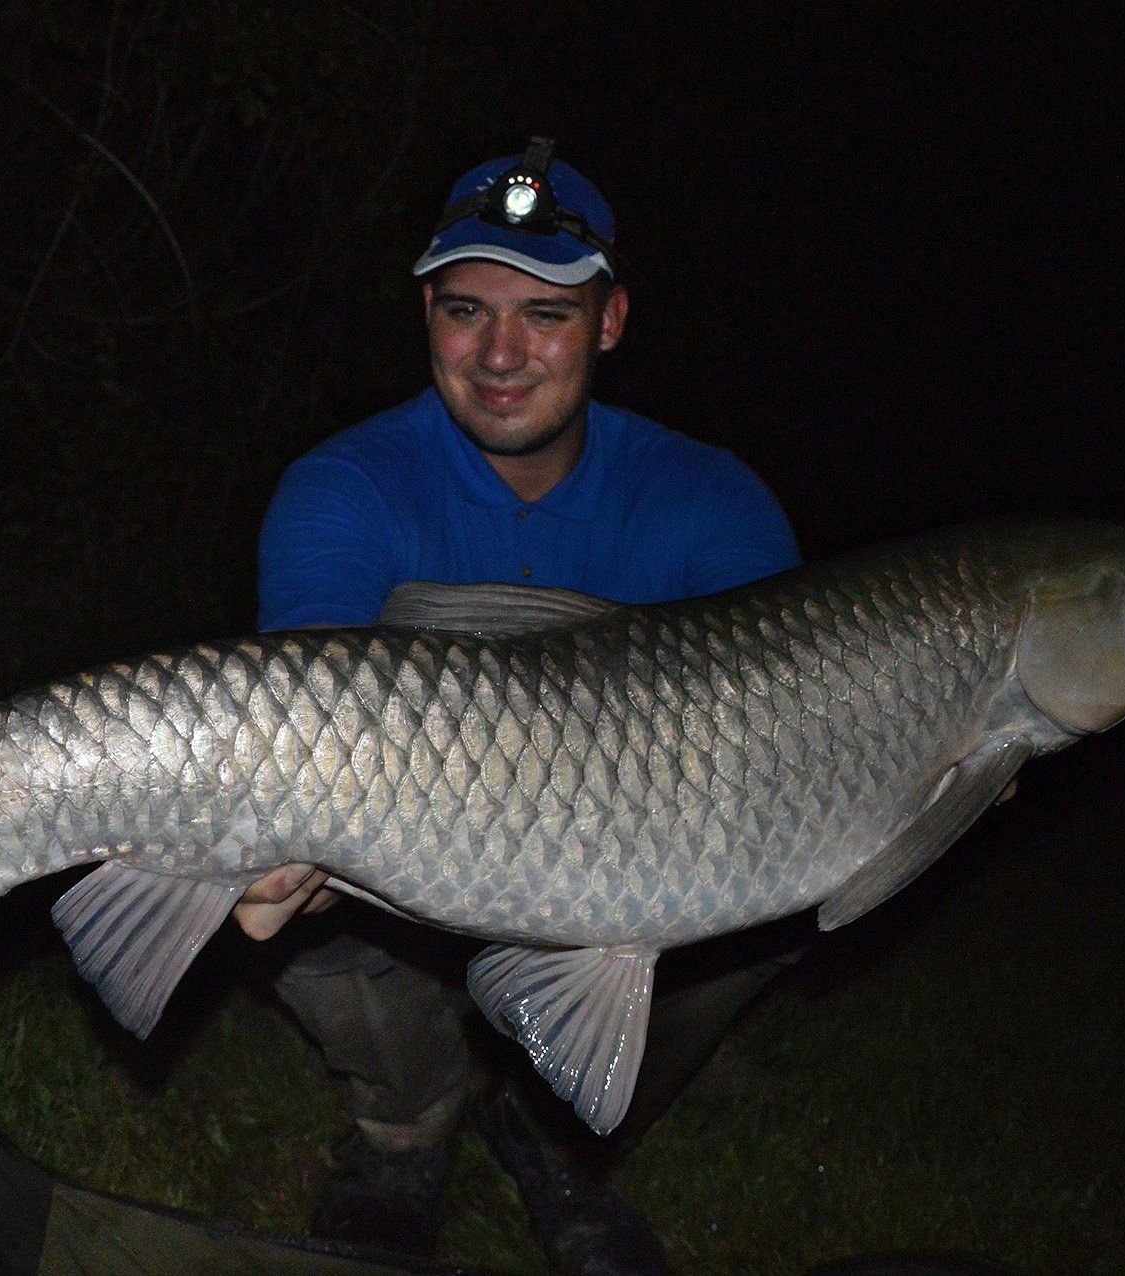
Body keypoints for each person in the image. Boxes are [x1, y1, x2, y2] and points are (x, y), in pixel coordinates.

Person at [235, 141, 807, 1276]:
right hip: (410, 859)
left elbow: (792, 742)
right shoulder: (344, 486)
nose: (499, 355)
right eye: (465, 311)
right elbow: (306, 711)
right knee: (285, 897)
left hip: (638, 868)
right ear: (427, 317)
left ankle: (554, 1136)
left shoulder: (710, 500)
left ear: (609, 322)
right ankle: (409, 1123)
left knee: (789, 882)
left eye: (545, 314)